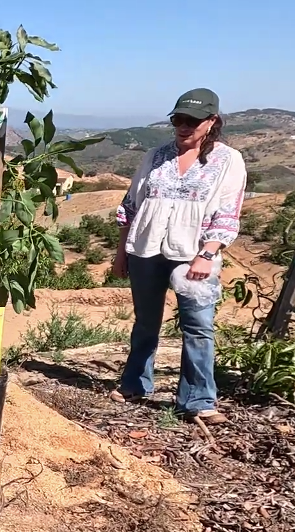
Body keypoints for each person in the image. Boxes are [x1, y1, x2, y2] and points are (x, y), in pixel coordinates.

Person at [111, 88, 247, 425]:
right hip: (146, 249)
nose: (184, 126)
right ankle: (135, 384)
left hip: (194, 253)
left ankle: (198, 399)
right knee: (145, 322)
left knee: (198, 326)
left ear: (212, 121)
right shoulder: (156, 156)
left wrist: (208, 253)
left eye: (192, 120)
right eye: (178, 119)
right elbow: (132, 205)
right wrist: (121, 253)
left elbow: (228, 212)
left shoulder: (228, 160)